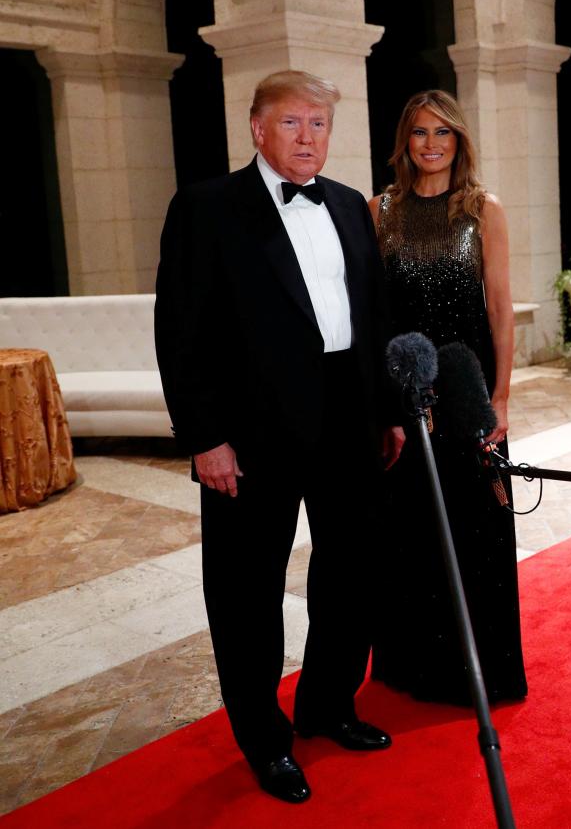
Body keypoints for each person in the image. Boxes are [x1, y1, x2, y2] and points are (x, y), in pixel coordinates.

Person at [154, 70, 403, 804]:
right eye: (291, 123)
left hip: (348, 416)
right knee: (246, 590)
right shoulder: (206, 207)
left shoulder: (354, 208)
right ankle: (264, 739)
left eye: (318, 124)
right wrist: (205, 437)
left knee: (350, 573)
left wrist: (386, 410)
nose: (307, 138)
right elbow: (181, 332)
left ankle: (327, 705)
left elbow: (372, 318)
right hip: (250, 432)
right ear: (257, 129)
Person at [367, 90, 528, 705]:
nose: (431, 145)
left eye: (443, 133)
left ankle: (480, 675)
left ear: (460, 141)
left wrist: (502, 398)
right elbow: (374, 314)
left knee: (477, 529)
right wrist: (385, 405)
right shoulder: (379, 210)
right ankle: (417, 668)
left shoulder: (483, 209)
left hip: (467, 393)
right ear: (404, 142)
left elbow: (499, 310)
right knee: (410, 531)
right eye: (419, 133)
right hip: (405, 393)